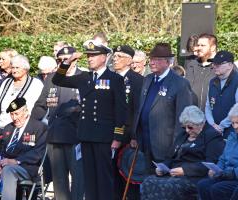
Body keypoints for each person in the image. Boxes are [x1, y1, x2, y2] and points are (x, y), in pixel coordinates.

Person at [52, 39, 127, 200]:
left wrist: (117, 137)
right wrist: (68, 61)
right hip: (86, 135)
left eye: (94, 55)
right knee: (89, 179)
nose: (90, 58)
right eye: (88, 56)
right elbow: (57, 80)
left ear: (104, 57)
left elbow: (121, 110)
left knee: (104, 178)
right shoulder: (84, 77)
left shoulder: (115, 79)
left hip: (105, 137)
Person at [131, 43, 193, 173]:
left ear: (168, 62)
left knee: (163, 186)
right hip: (146, 143)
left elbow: (183, 118)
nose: (152, 62)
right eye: (151, 59)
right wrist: (136, 135)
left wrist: (174, 148)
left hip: (165, 147)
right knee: (148, 182)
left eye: (157, 59)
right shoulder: (148, 79)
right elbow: (140, 108)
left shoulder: (180, 83)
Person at [32, 46, 84, 200]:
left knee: (78, 179)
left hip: (76, 136)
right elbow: (41, 105)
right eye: (60, 60)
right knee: (59, 181)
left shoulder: (84, 77)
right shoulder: (52, 78)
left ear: (75, 60)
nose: (63, 62)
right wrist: (32, 126)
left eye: (67, 59)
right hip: (54, 135)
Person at [141, 105, 225, 200]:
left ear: (201, 124)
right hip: (173, 173)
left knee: (168, 186)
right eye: (184, 127)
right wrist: (162, 167)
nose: (187, 130)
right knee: (148, 182)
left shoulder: (212, 136)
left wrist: (185, 170)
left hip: (194, 176)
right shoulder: (183, 135)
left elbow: (211, 164)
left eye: (190, 127)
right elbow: (170, 157)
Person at [0, 97, 47, 200]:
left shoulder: (38, 127)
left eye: (17, 114)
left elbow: (38, 153)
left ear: (26, 112)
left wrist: (16, 161)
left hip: (26, 167)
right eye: (12, 114)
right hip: (4, 166)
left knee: (8, 170)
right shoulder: (9, 128)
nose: (14, 118)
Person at [112, 45, 143, 200]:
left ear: (129, 60)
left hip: (127, 137)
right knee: (112, 178)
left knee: (127, 178)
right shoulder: (110, 78)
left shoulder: (137, 81)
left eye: (119, 56)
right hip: (110, 135)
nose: (114, 59)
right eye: (114, 55)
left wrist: (135, 136)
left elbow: (138, 111)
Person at [197, 103, 238, 200]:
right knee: (203, 185)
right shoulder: (232, 137)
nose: (235, 126)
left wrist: (229, 173)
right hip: (225, 175)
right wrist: (216, 169)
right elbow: (223, 158)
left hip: (234, 177)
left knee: (218, 188)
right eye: (233, 123)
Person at [0, 54, 43, 131]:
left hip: (22, 128)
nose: (14, 70)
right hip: (2, 126)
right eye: (13, 67)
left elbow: (39, 107)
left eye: (17, 67)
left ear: (25, 69)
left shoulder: (36, 84)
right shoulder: (6, 82)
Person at [205, 50, 238, 138]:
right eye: (214, 63)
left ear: (230, 65)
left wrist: (221, 126)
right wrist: (212, 124)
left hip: (232, 133)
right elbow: (208, 106)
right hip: (213, 131)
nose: (214, 66)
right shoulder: (212, 82)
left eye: (218, 64)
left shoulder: (236, 81)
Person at [185, 33, 217, 110]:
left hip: (215, 118)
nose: (199, 48)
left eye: (203, 46)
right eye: (198, 45)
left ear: (212, 47)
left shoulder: (224, 66)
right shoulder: (191, 65)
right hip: (192, 116)